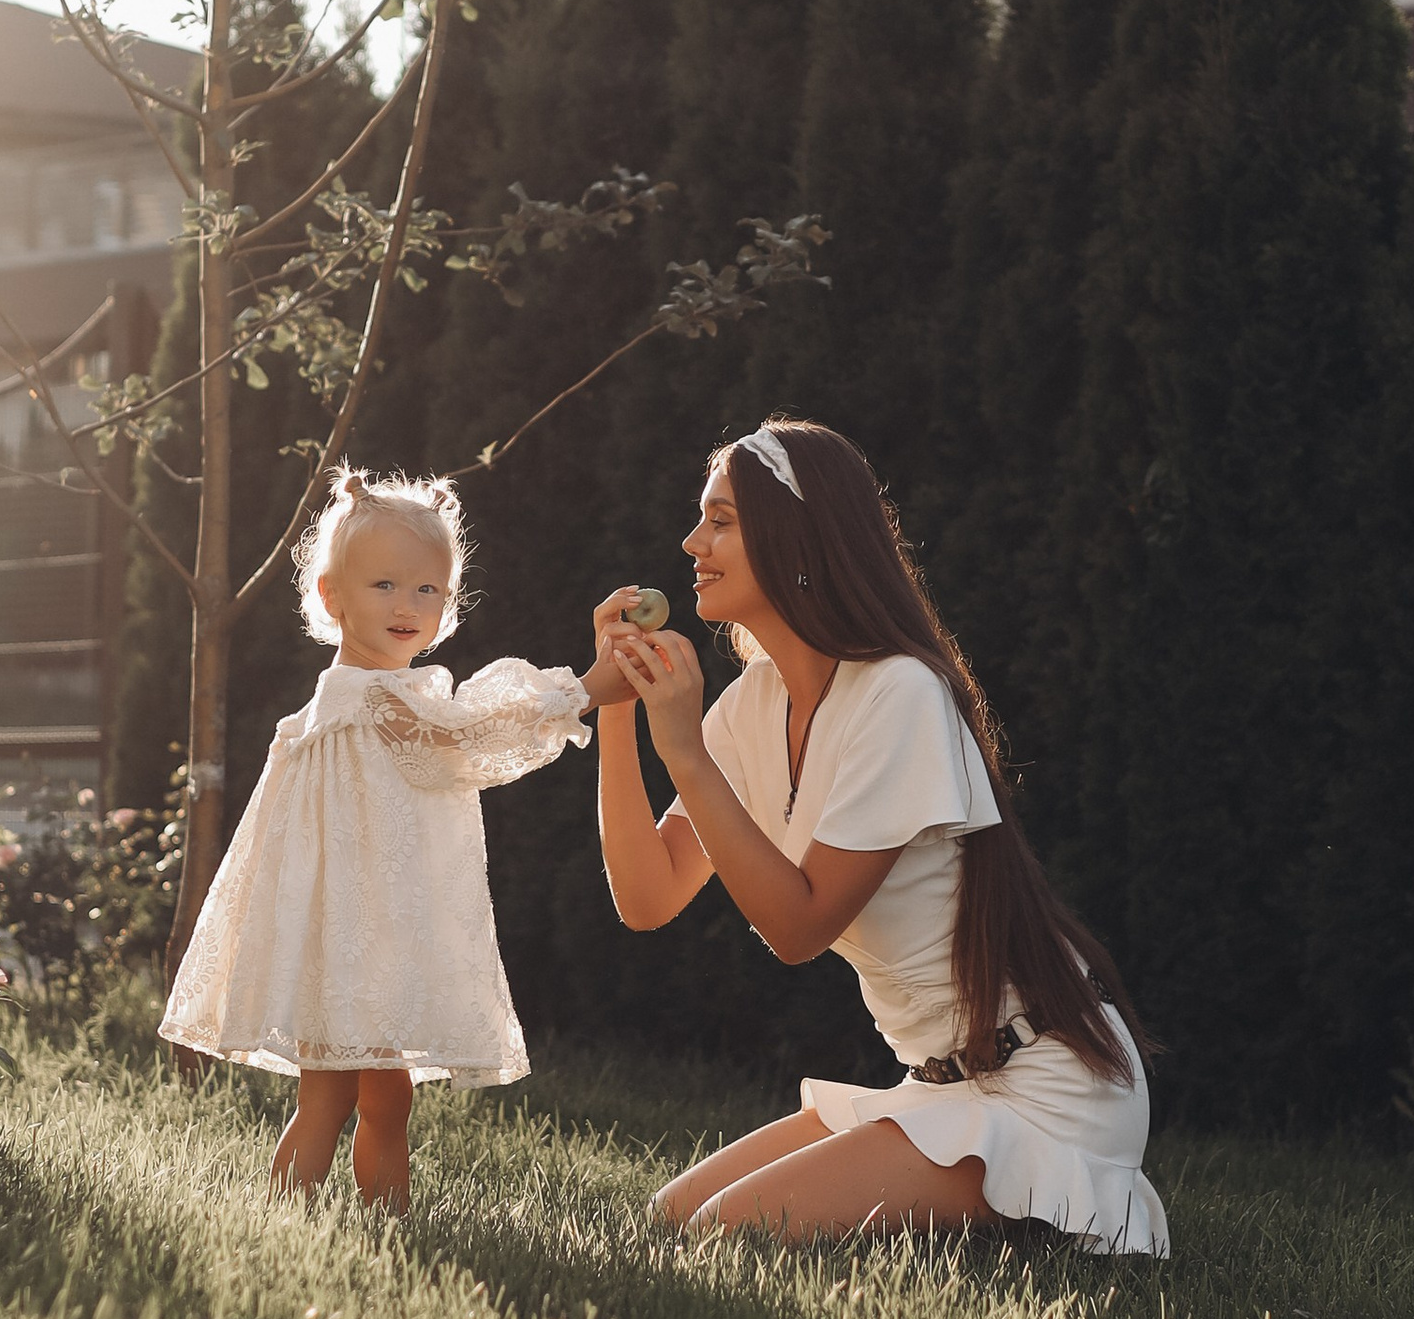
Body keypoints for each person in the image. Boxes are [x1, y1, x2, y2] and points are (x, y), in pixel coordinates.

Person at [593, 418, 1166, 1252]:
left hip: (1043, 1085)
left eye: (721, 520)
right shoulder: (752, 706)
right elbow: (647, 898)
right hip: (937, 1084)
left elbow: (798, 927)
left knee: (724, 1235)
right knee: (669, 1221)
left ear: (797, 540)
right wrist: (619, 710)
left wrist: (682, 749)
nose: (691, 542)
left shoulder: (899, 694)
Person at [161, 468, 631, 1210]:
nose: (407, 606)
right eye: (383, 585)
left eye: (427, 589)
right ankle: (329, 1220)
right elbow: (462, 738)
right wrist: (585, 689)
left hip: (359, 939)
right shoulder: (372, 699)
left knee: (362, 1098)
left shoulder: (352, 700)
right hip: (360, 942)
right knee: (353, 1097)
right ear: (332, 597)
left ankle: (348, 1217)